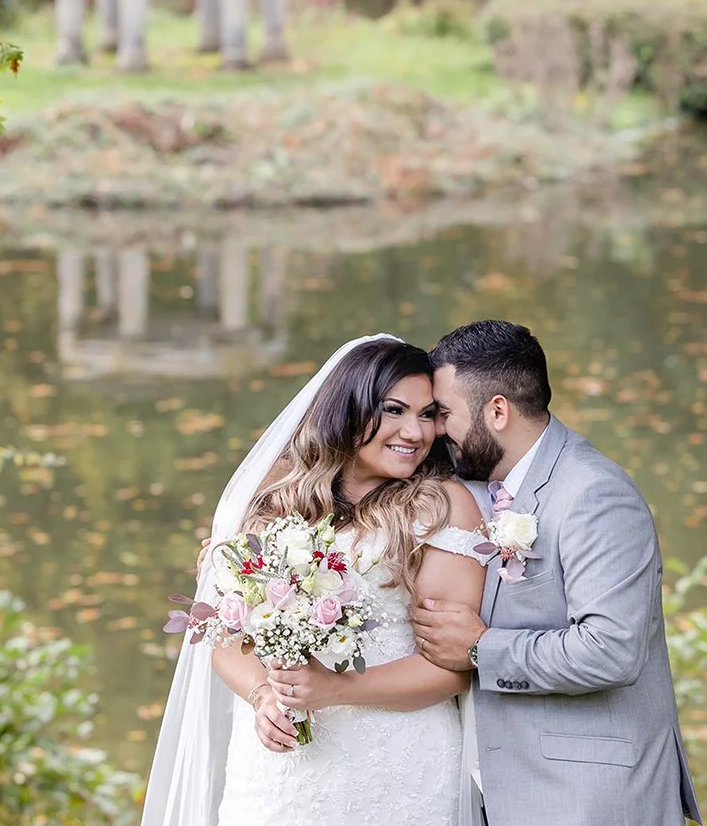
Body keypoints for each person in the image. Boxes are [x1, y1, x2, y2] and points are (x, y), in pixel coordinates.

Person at [142, 336, 490, 826]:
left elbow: (451, 669)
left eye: (428, 414)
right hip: (278, 774)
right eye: (393, 411)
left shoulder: (440, 508)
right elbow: (225, 637)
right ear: (348, 409)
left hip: (396, 768)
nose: (415, 432)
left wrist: (333, 688)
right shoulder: (272, 498)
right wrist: (263, 695)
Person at [412, 319, 701, 826]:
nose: (436, 431)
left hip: (589, 796)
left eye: (445, 414)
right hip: (498, 787)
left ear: (497, 411)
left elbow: (610, 651)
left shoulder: (594, 494)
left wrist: (480, 649)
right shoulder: (475, 486)